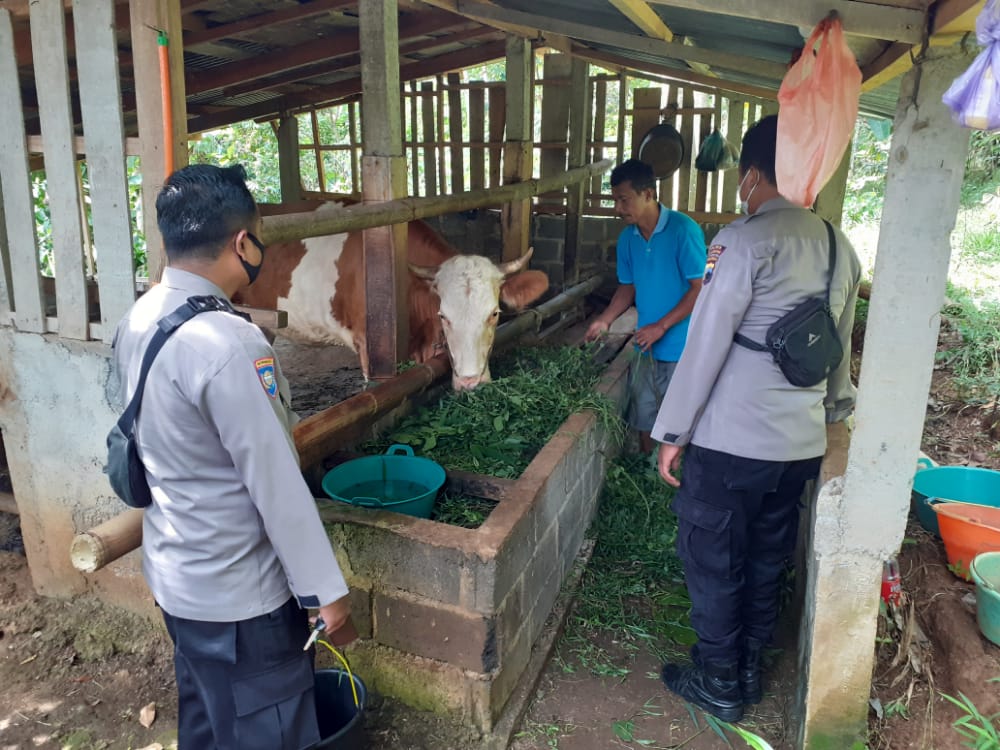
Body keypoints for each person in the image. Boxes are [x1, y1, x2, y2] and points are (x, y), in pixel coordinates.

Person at [111, 163, 355, 749]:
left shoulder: (138, 319)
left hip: (178, 580)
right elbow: (275, 483)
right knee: (269, 728)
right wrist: (327, 591)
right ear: (243, 243)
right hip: (242, 600)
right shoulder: (230, 343)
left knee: (207, 717)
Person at [651, 115, 861, 722]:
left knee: (714, 556)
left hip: (730, 443)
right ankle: (748, 665)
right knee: (768, 556)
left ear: (750, 174)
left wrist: (671, 433)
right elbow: (839, 347)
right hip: (798, 445)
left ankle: (719, 683)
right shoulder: (836, 245)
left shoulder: (742, 241)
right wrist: (835, 417)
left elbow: (706, 344)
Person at [584, 159, 706, 455]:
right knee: (644, 418)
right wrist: (605, 320)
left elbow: (701, 288)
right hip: (646, 347)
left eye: (623, 200)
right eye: (615, 200)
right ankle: (647, 475)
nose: (617, 208)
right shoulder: (628, 239)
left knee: (679, 422)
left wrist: (661, 326)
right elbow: (627, 288)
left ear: (648, 194)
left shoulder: (682, 231)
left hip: (682, 347)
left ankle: (674, 482)